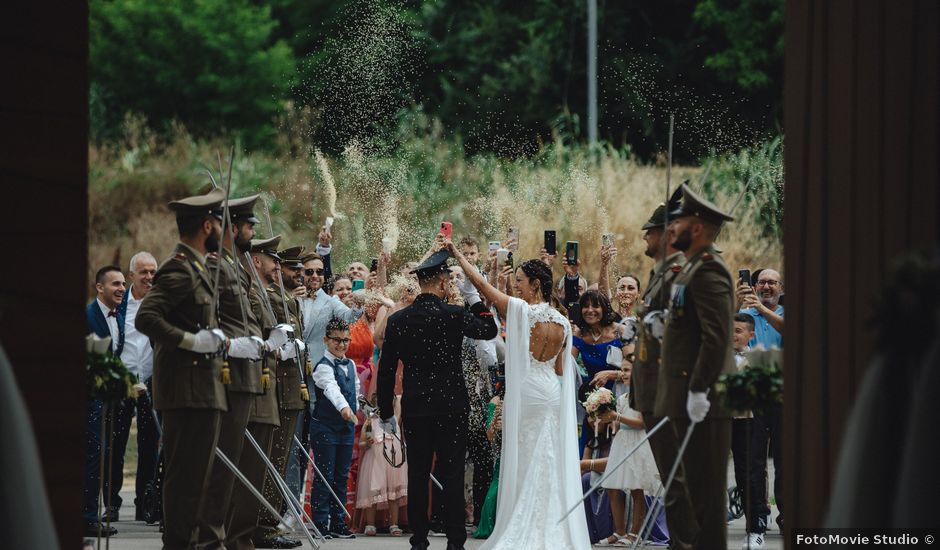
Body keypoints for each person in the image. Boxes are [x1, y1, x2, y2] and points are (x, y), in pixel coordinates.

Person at [448, 242, 592, 550]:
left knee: (527, 458)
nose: (517, 287)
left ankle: (524, 524)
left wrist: (458, 255)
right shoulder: (563, 322)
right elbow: (559, 368)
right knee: (549, 458)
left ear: (535, 284)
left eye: (521, 282)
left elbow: (483, 287)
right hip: (552, 393)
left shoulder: (522, 312)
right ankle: (555, 528)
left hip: (528, 391)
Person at [134, 188, 246, 549]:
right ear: (207, 225)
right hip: (186, 390)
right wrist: (189, 341)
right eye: (218, 223)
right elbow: (147, 318)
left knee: (200, 481)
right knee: (185, 482)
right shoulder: (179, 269)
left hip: (204, 388)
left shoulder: (198, 268)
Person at [377, 247, 499, 550]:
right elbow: (489, 329)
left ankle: (419, 540)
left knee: (418, 474)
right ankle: (456, 541)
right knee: (453, 472)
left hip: (416, 407)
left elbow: (386, 370)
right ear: (443, 282)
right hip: (451, 406)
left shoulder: (399, 320)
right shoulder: (455, 315)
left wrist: (385, 413)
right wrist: (473, 298)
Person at [656, 183, 736, 550]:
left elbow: (717, 337)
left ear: (698, 228)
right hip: (685, 397)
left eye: (680, 222)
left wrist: (700, 388)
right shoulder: (689, 270)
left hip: (702, 400)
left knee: (706, 502)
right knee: (694, 498)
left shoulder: (708, 271)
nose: (671, 229)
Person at [196, 193, 269, 548]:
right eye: (248, 226)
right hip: (229, 374)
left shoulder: (236, 265)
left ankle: (217, 537)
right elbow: (207, 318)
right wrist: (229, 344)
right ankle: (207, 538)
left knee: (230, 470)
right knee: (218, 468)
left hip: (245, 375)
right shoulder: (215, 264)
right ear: (233, 227)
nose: (252, 232)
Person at [632, 200, 697, 550]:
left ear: (668, 235)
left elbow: (689, 329)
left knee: (677, 478)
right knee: (670, 475)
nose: (645, 236)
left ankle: (686, 544)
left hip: (667, 391)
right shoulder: (659, 272)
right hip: (651, 391)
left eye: (652, 231)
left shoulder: (679, 274)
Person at [224, 234, 286, 550]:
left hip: (265, 391)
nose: (278, 266)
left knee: (255, 474)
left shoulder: (259, 292)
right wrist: (269, 345)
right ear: (256, 260)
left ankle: (242, 536)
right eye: (273, 260)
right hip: (252, 390)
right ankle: (236, 538)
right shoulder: (247, 291)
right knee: (244, 473)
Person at [250, 239, 308, 548]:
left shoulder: (289, 300)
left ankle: (268, 521)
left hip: (291, 388)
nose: (297, 273)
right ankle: (263, 524)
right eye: (290, 267)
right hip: (277, 389)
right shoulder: (268, 297)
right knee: (272, 460)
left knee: (281, 460)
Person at [103, 252, 158, 524]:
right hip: (121, 384)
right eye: (144, 272)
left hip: (151, 383)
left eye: (152, 272)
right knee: (115, 444)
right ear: (131, 275)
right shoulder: (118, 302)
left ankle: (145, 503)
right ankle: (111, 503)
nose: (149, 277)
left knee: (150, 446)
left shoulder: (161, 303)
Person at [737, 267, 785, 533]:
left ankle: (786, 513)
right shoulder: (744, 315)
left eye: (772, 283)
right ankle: (757, 513)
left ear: (781, 288)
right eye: (762, 282)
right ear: (754, 286)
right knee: (753, 460)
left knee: (784, 460)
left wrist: (763, 310)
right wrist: (738, 300)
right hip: (753, 397)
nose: (766, 286)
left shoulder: (785, 312)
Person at [598, 363, 663, 546]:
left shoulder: (644, 396)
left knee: (636, 488)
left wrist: (615, 417)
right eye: (622, 370)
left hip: (638, 442)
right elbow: (617, 424)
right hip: (622, 442)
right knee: (612, 486)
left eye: (627, 370)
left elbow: (641, 423)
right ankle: (619, 531)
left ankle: (635, 533)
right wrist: (603, 417)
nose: (622, 373)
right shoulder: (622, 397)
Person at [84, 265, 126, 537]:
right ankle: (86, 517)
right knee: (92, 453)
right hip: (88, 398)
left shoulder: (119, 316)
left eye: (123, 284)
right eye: (115, 284)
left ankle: (90, 514)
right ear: (100, 287)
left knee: (101, 453)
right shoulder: (87, 316)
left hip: (108, 399)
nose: (121, 288)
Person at [310, 319, 360, 539]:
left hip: (346, 429)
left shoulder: (350, 365)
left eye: (345, 340)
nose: (341, 345)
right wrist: (345, 409)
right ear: (326, 340)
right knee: (325, 476)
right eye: (337, 340)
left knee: (341, 475)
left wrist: (364, 409)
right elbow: (331, 389)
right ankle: (321, 522)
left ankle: (338, 521)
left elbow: (355, 392)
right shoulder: (323, 366)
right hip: (325, 427)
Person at [730, 313, 769, 549]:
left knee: (750, 474)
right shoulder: (716, 357)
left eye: (739, 331)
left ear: (750, 335)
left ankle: (755, 528)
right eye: (731, 330)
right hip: (720, 421)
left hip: (749, 422)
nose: (733, 335)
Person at [572, 290, 626, 454]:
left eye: (595, 306)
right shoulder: (580, 334)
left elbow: (636, 367)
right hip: (593, 398)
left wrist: (610, 374)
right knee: (590, 446)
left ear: (605, 308)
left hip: (621, 391)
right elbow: (568, 364)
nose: (590, 310)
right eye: (585, 306)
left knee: (616, 445)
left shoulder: (621, 331)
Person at [356, 396, 407, 537]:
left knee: (394, 493)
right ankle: (370, 524)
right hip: (374, 462)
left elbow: (399, 399)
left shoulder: (394, 419)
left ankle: (394, 524)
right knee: (373, 491)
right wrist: (366, 444)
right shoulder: (369, 422)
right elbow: (361, 443)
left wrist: (392, 396)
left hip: (392, 461)